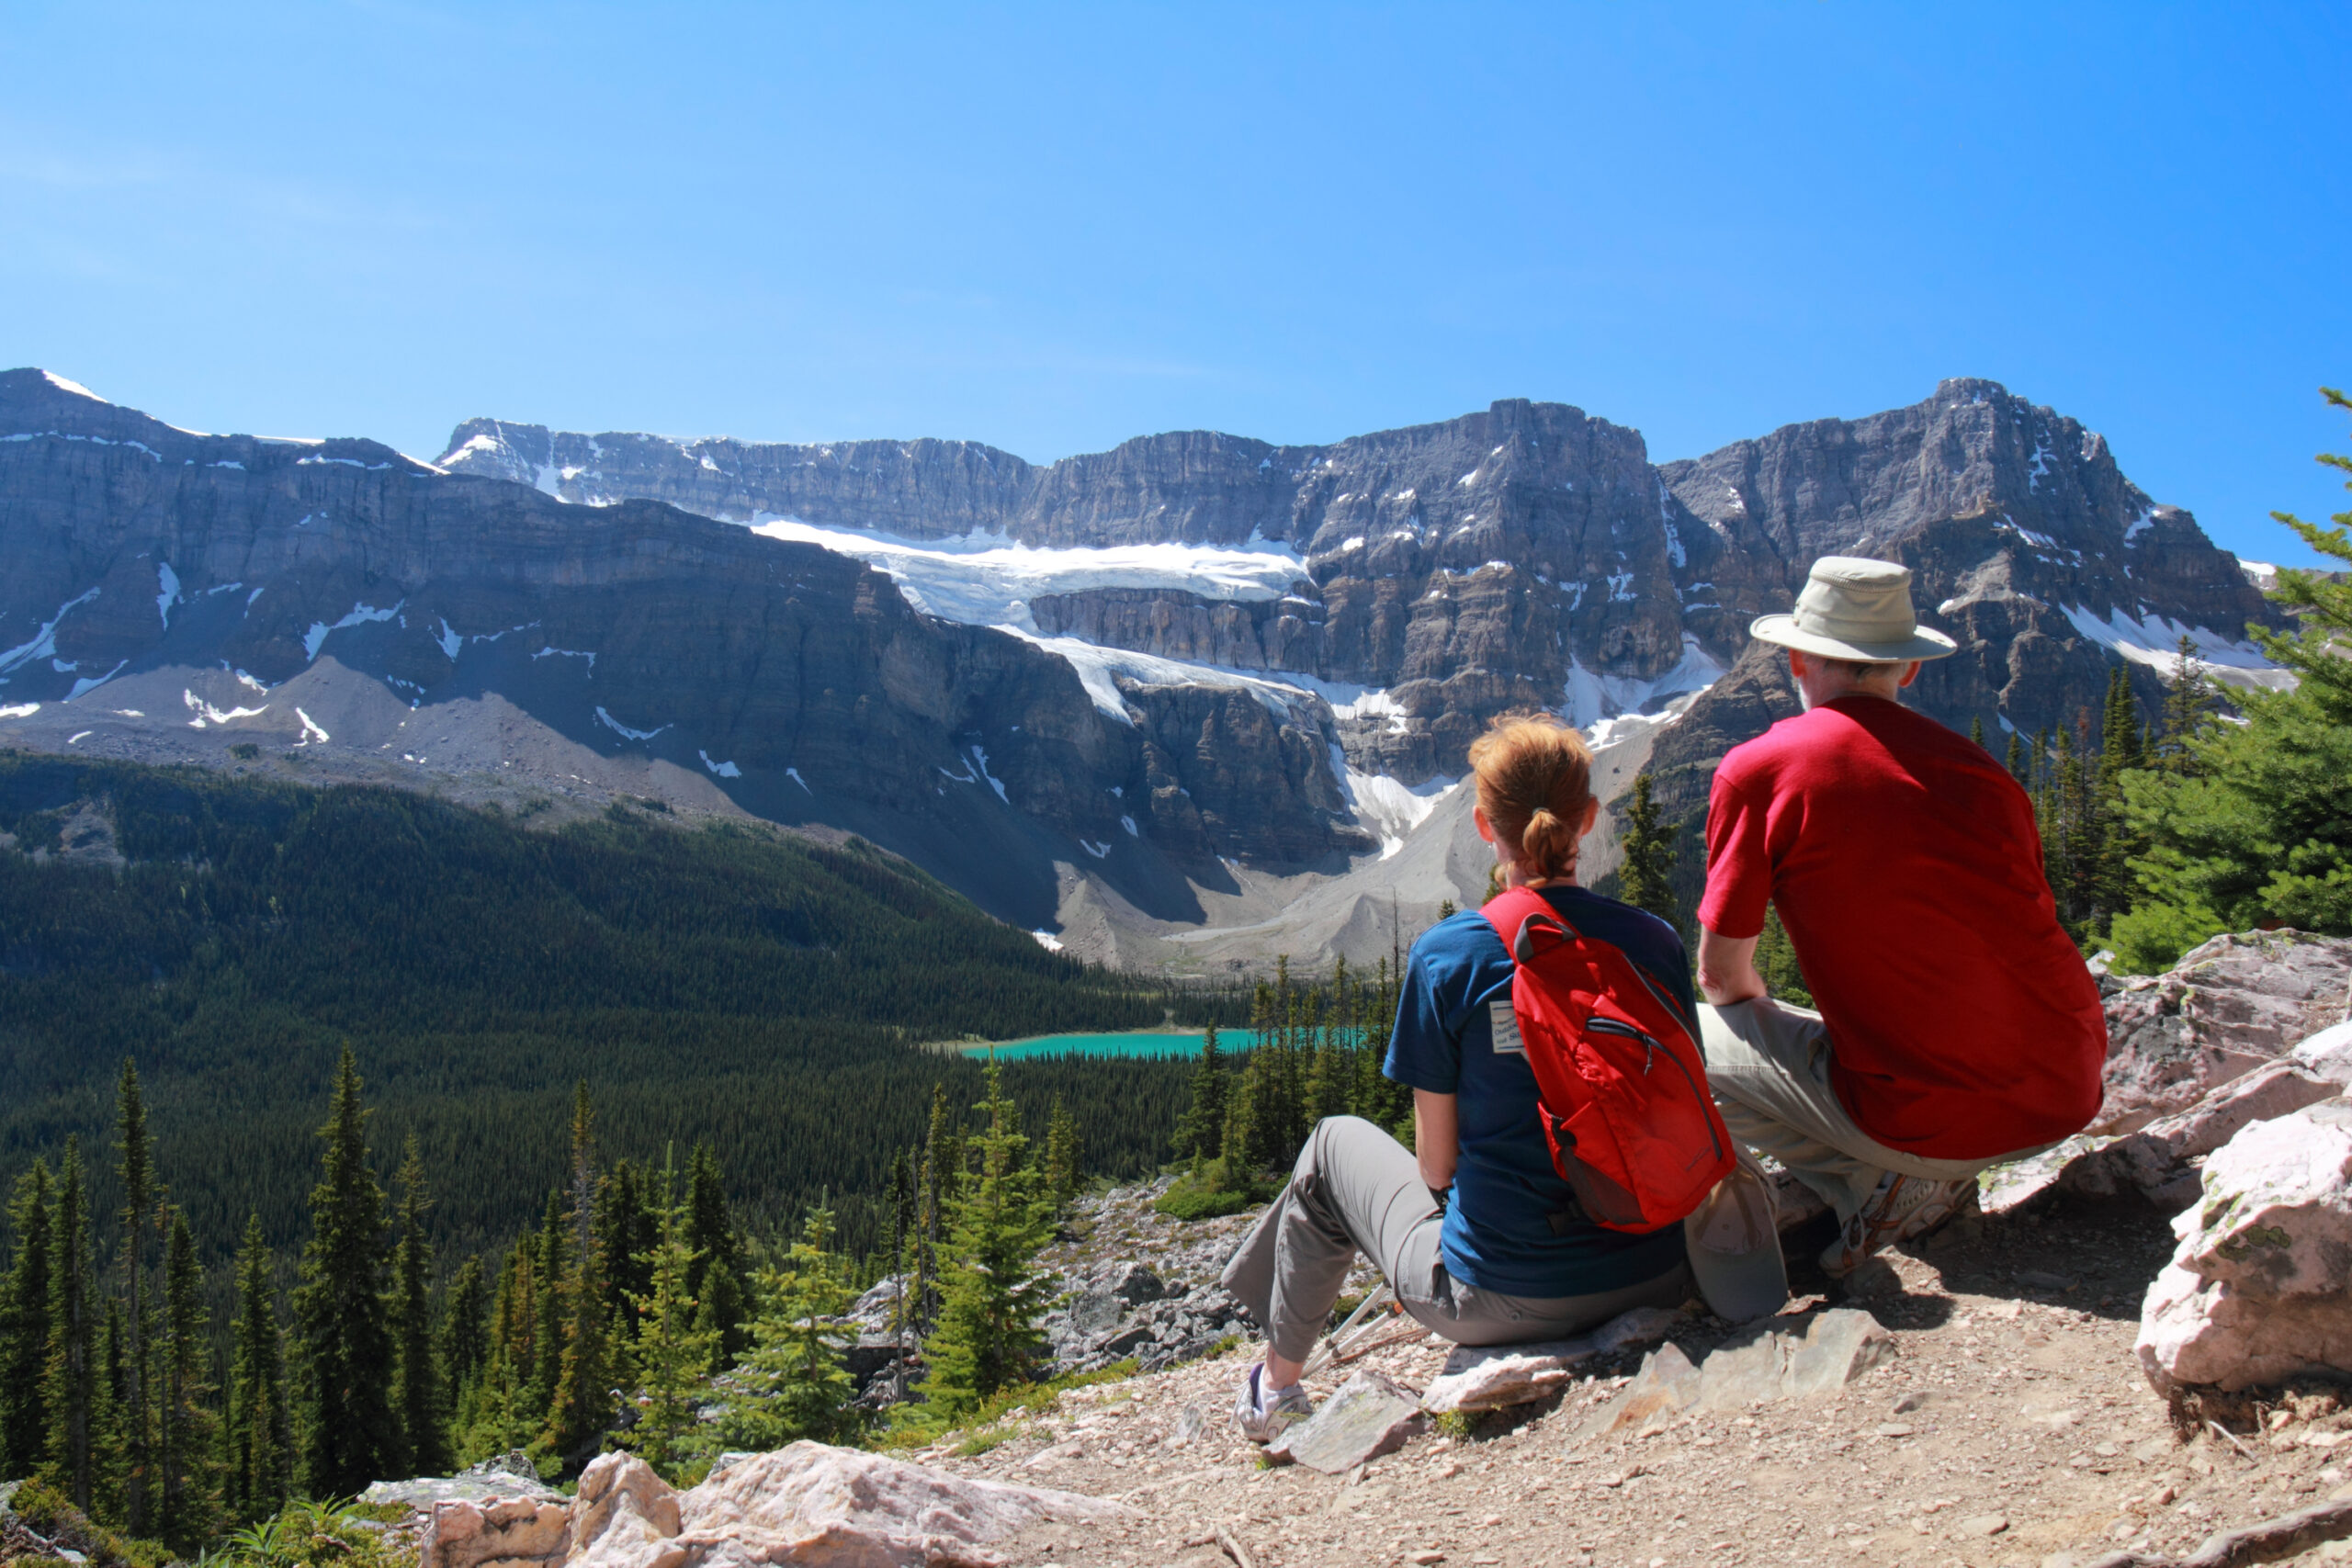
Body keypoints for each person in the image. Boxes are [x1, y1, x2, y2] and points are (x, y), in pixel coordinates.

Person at [1220, 713, 1701, 1442]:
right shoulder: (1655, 942)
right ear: (1589, 818)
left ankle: (1276, 1388)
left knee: (1329, 1147)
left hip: (1503, 1294)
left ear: (1483, 825)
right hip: (1658, 1267)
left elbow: (1436, 1167)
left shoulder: (1452, 955)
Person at [1692, 556, 2108, 1279]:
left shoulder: (1761, 768)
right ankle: (1907, 1175)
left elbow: (1723, 978)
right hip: (2067, 1088)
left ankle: (1871, 1189)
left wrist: (1787, 1026)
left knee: (1672, 1035)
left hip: (1934, 1120)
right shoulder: (1986, 772)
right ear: (1906, 669)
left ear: (1796, 657)